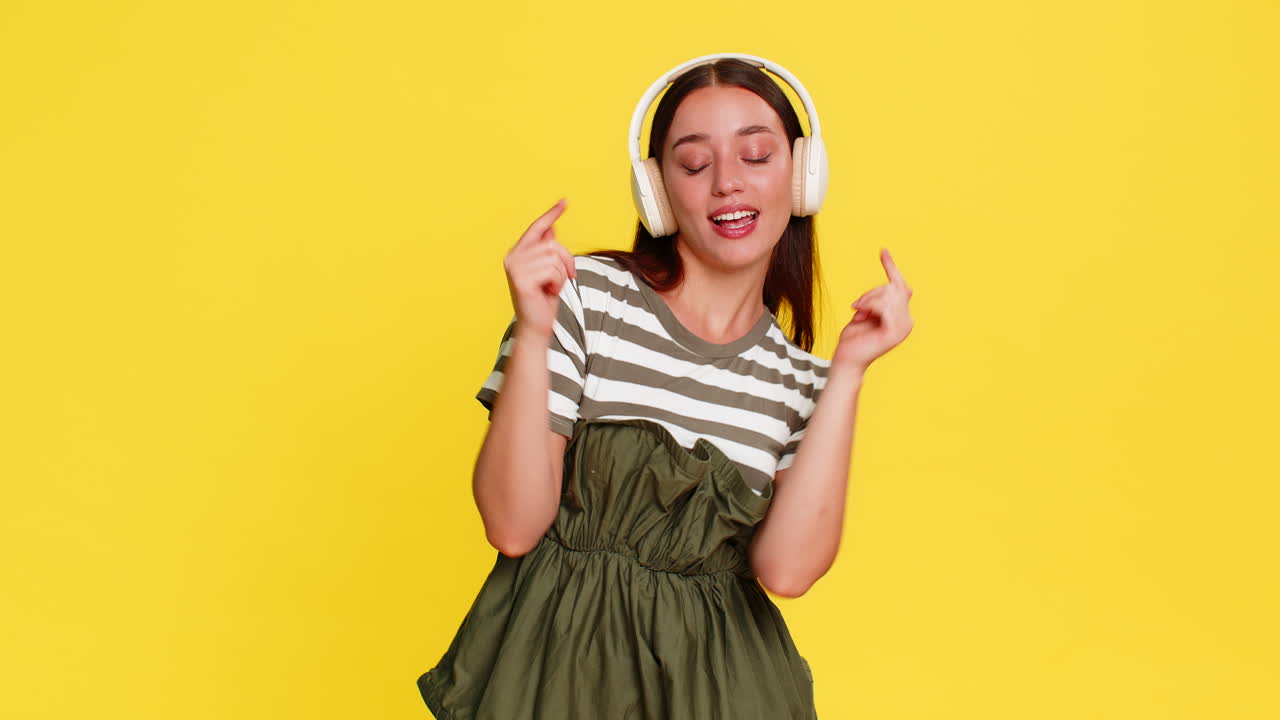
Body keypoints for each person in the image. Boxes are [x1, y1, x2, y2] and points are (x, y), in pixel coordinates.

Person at [417, 53, 914, 719]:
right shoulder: (581, 300)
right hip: (553, 678)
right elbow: (512, 526)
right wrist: (533, 335)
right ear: (656, 189)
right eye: (693, 163)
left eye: (757, 155)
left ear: (802, 177)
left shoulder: (803, 383)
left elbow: (788, 574)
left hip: (726, 693)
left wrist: (848, 373)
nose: (727, 184)